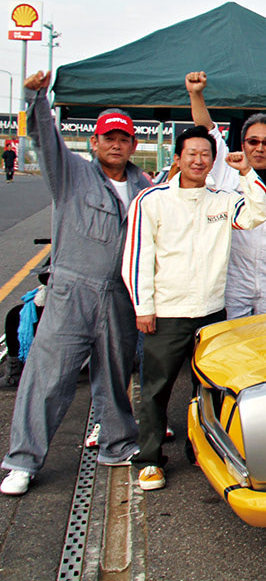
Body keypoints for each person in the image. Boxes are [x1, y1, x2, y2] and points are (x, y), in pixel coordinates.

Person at [1, 72, 154, 497]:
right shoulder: (70, 175)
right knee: (48, 378)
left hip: (119, 296)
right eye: (108, 138)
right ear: (95, 143)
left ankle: (116, 445)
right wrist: (34, 97)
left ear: (133, 145)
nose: (116, 144)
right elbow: (45, 137)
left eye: (123, 138)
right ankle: (21, 461)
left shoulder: (145, 187)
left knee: (115, 375)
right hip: (72, 291)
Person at [123, 126, 266, 491]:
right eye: (191, 153)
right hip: (167, 312)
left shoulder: (222, 199)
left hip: (210, 312)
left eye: (205, 154)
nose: (198, 160)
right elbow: (137, 257)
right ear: (177, 158)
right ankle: (149, 459)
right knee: (155, 388)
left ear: (212, 160)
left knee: (207, 389)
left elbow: (260, 212)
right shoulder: (151, 200)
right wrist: (144, 307)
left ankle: (201, 451)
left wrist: (244, 172)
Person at [186, 71, 266, 317]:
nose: (260, 148)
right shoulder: (227, 173)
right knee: (234, 342)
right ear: (242, 145)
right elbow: (206, 128)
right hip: (232, 279)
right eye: (253, 141)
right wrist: (196, 93)